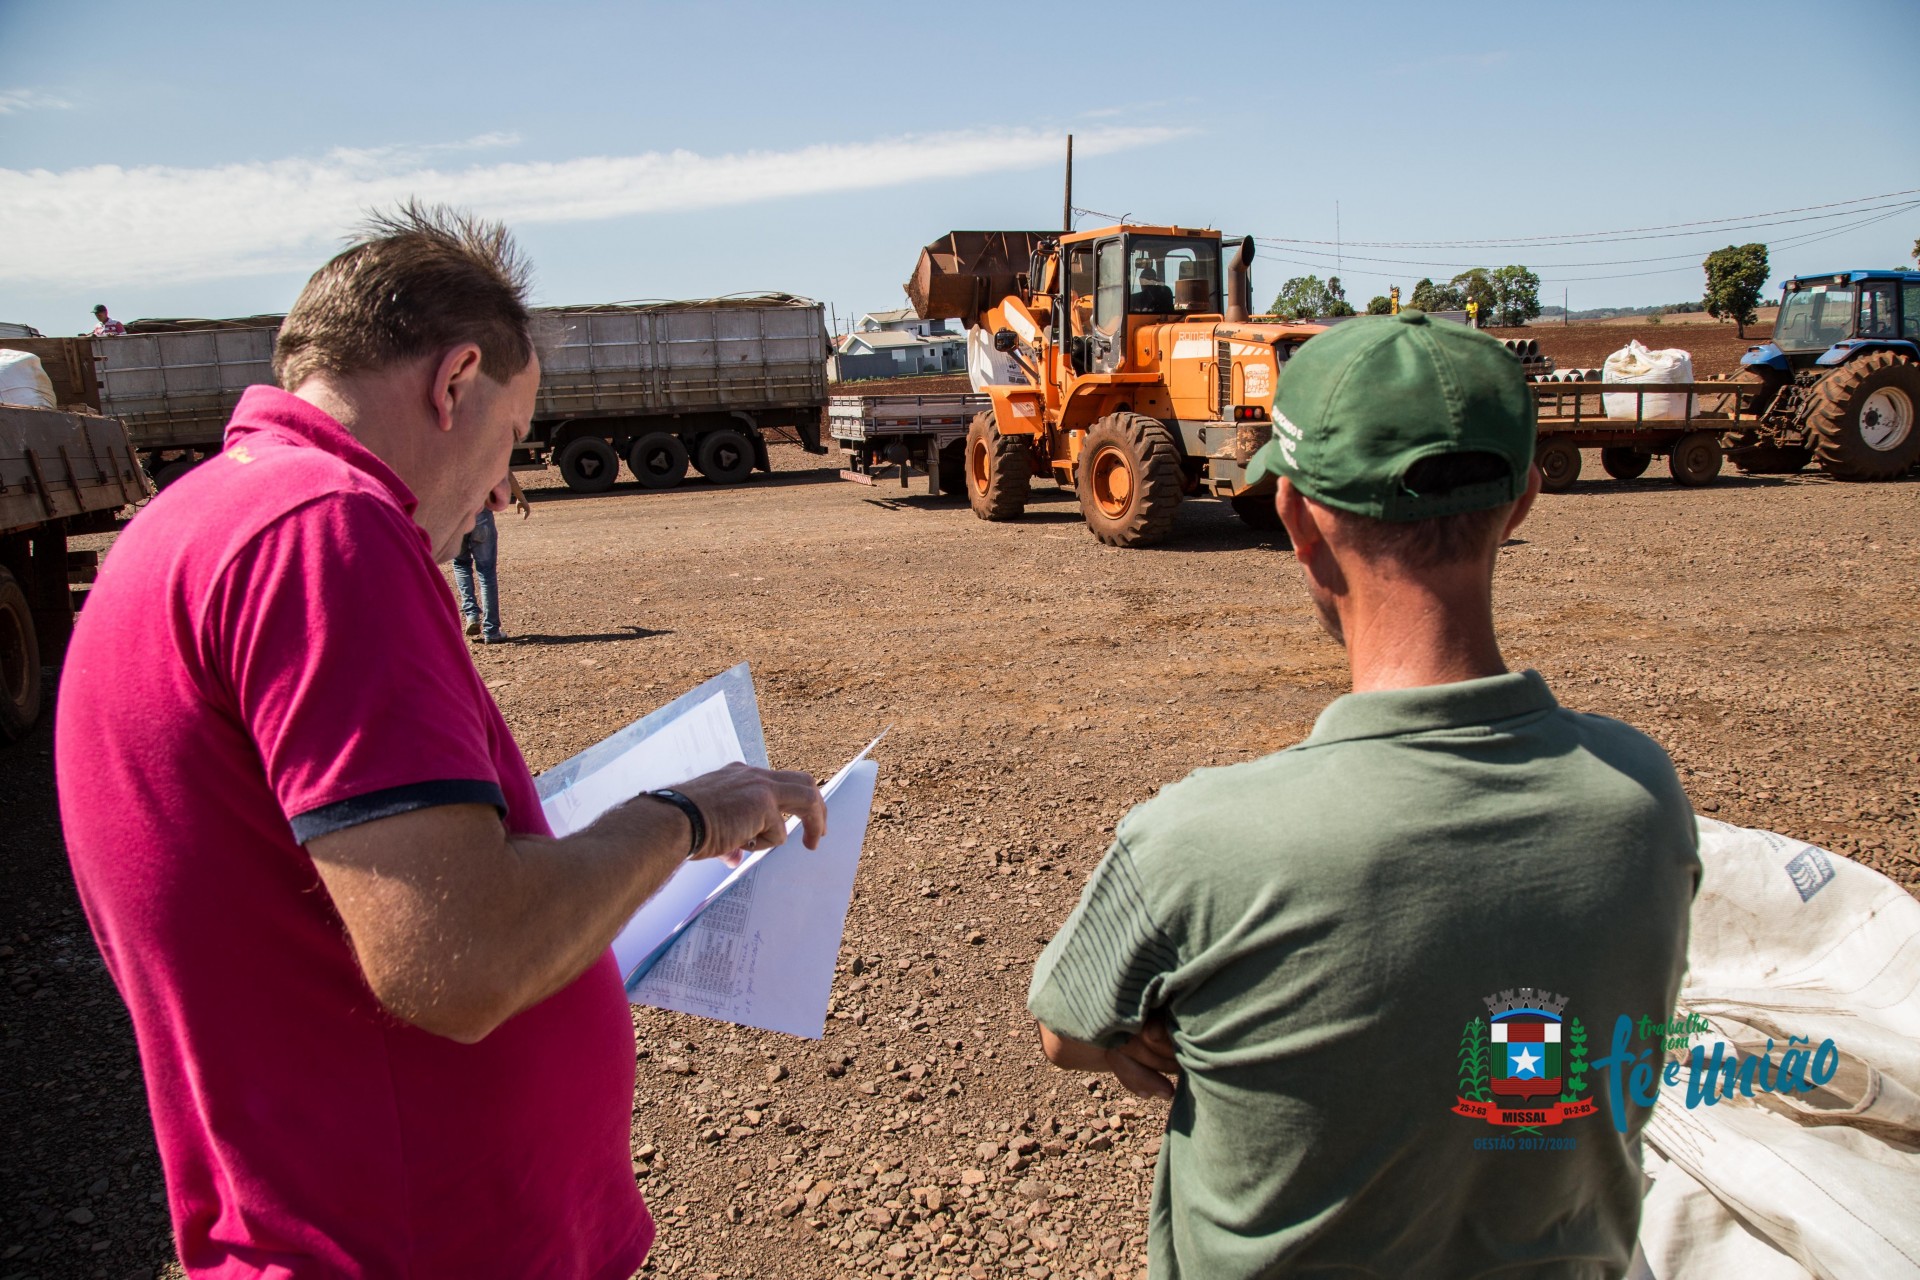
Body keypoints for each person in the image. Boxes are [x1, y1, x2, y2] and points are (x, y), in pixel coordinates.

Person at [55, 203, 827, 1278]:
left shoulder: (190, 524)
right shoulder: (323, 529)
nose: (508, 487)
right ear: (455, 379)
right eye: (513, 440)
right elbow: (460, 958)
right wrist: (685, 817)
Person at [1028, 310, 1700, 1279]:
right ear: (1522, 502)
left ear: (1298, 521)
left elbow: (1065, 1028)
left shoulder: (1198, 840)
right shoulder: (1643, 794)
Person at [455, 471, 529, 641]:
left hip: (456, 517)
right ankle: (491, 630)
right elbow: (505, 472)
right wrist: (521, 498)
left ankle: (472, 614)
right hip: (481, 514)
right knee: (486, 573)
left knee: (460, 565)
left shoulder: (446, 449)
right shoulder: (483, 445)